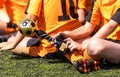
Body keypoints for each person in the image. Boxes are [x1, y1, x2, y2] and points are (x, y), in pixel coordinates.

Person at [0, 0, 92, 73]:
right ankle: (78, 56)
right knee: (67, 46)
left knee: (12, 40)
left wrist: (13, 44)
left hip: (51, 44)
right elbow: (82, 18)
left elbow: (29, 21)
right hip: (75, 39)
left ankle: (75, 56)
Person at [54, 0, 120, 70]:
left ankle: (86, 59)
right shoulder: (98, 1)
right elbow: (88, 28)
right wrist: (66, 35)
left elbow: (111, 26)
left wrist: (82, 46)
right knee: (68, 42)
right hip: (109, 43)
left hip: (114, 44)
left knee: (94, 45)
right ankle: (81, 60)